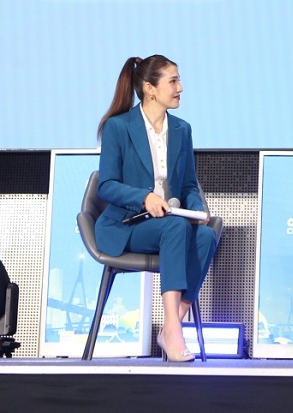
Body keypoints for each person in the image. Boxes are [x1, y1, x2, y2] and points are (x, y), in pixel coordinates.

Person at [94, 55, 217, 364]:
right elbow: (106, 185)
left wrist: (197, 210)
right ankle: (174, 331)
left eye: (179, 80)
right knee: (176, 227)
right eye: (173, 81)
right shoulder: (118, 127)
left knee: (205, 236)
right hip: (127, 224)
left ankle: (173, 323)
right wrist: (144, 197)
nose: (180, 88)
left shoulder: (182, 129)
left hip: (169, 222)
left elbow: (188, 185)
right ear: (150, 88)